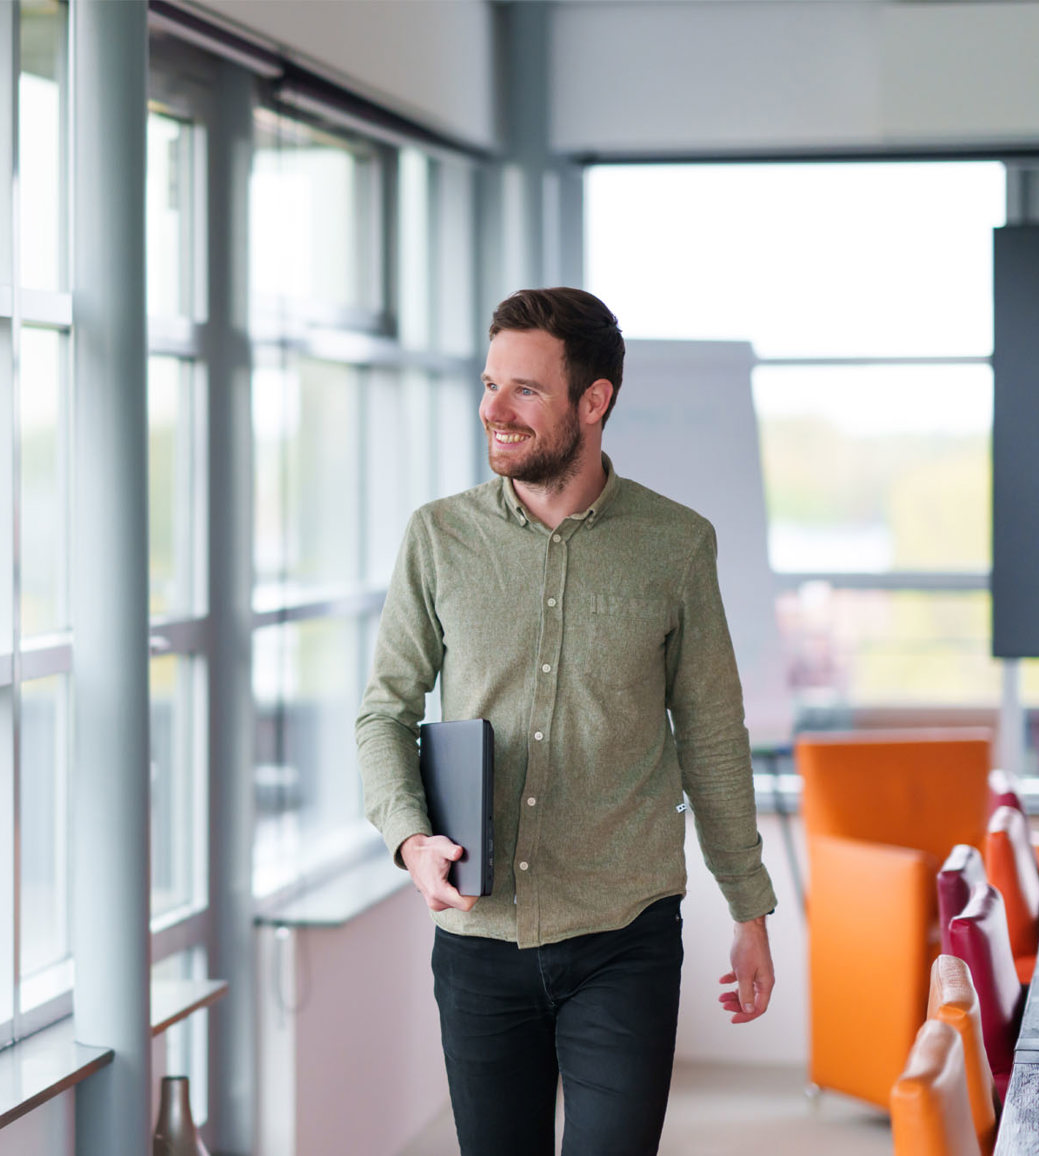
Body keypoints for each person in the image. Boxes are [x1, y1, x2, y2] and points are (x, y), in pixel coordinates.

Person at [355, 287, 778, 1156]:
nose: (493, 412)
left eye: (524, 391)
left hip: (626, 937)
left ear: (595, 401)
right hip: (478, 939)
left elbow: (710, 735)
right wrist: (409, 838)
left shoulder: (676, 544)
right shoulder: (439, 538)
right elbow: (384, 713)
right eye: (488, 385)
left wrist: (749, 910)